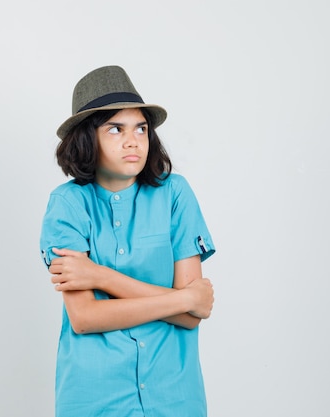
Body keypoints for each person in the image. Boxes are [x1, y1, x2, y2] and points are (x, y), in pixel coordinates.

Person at [39, 65, 216, 417]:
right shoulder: (67, 204)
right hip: (95, 398)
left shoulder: (175, 194)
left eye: (141, 128)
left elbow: (193, 316)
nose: (133, 140)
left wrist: (101, 277)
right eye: (115, 129)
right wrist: (183, 299)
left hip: (174, 396)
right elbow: (85, 317)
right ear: (88, 138)